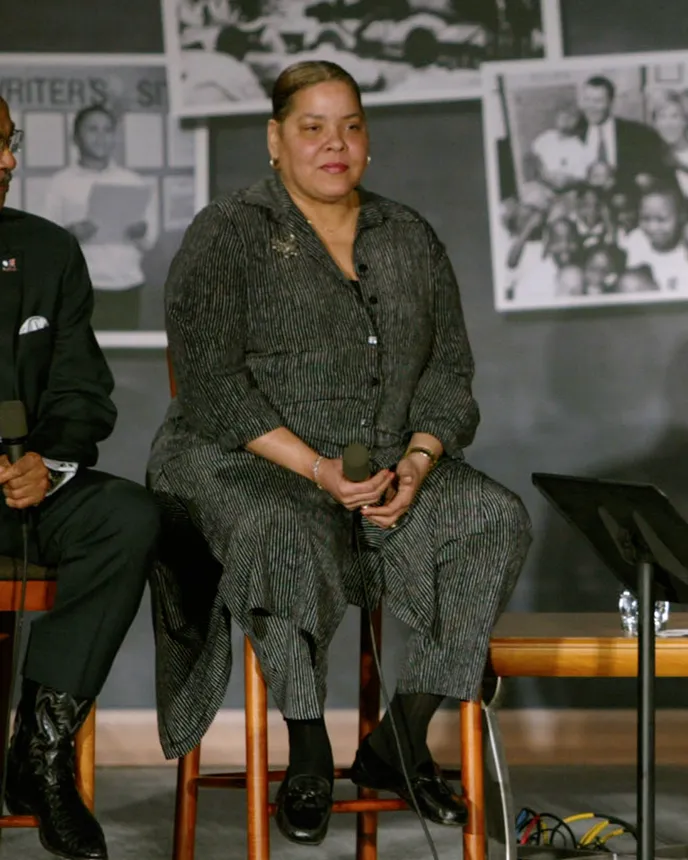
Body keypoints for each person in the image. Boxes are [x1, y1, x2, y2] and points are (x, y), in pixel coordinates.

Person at [147, 60, 532, 847]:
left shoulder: (408, 235)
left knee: (493, 517)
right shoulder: (228, 232)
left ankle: (398, 739)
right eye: (313, 127)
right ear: (275, 140)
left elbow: (449, 372)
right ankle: (310, 749)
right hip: (243, 460)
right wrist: (318, 470)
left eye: (351, 126)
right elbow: (214, 388)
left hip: (388, 462)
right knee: (282, 531)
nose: (336, 144)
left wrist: (420, 463)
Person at [0, 97, 160, 860]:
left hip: (23, 488)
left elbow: (80, 392)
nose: (8, 162)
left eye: (10, 144)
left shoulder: (48, 250)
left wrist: (49, 460)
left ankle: (42, 750)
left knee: (128, 516)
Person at [40, 104, 160, 332]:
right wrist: (71, 234)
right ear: (75, 137)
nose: (101, 137)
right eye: (92, 129)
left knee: (120, 362)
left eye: (107, 130)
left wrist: (140, 231)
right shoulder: (60, 183)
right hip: (78, 289)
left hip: (126, 284)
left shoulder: (133, 181)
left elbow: (150, 238)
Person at [577, 75, 667, 191]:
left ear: (611, 102)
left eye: (598, 101)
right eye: (587, 100)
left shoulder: (638, 134)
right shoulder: (575, 135)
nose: (591, 107)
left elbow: (652, 175)